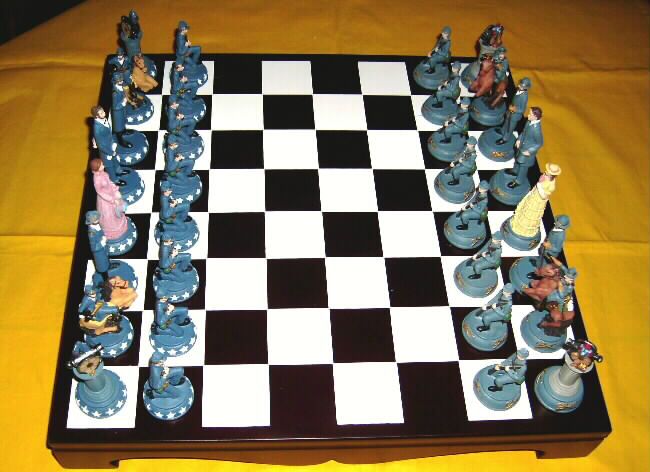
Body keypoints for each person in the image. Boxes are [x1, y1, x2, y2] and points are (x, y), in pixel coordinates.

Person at [90, 158, 128, 240]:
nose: (103, 166)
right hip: (105, 201)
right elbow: (100, 192)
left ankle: (119, 224)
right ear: (97, 167)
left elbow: (109, 182)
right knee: (108, 215)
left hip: (111, 194)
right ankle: (112, 230)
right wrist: (112, 199)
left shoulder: (103, 173)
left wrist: (115, 190)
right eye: (101, 165)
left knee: (116, 211)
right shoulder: (97, 179)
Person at [506, 107, 543, 188]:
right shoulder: (529, 122)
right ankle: (515, 171)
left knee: (523, 167)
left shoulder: (536, 130)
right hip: (521, 147)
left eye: (530, 114)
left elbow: (539, 143)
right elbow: (523, 132)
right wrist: (519, 139)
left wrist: (529, 151)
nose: (528, 115)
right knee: (517, 160)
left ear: (535, 117)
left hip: (527, 152)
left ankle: (518, 181)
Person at [91, 105, 129, 186]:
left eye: (103, 111)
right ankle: (114, 180)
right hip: (106, 151)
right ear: (97, 116)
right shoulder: (97, 128)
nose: (104, 113)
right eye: (101, 113)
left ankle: (119, 171)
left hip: (111, 145)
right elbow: (101, 145)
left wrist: (113, 143)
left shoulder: (103, 120)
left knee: (115, 160)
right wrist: (110, 152)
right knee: (109, 166)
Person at [496, 77, 530, 144]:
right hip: (510, 112)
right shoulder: (518, 91)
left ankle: (505, 139)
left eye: (521, 85)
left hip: (515, 115)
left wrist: (514, 109)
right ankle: (502, 131)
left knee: (510, 128)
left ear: (526, 87)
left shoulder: (524, 96)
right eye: (520, 84)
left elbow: (522, 109)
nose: (519, 86)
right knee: (506, 122)